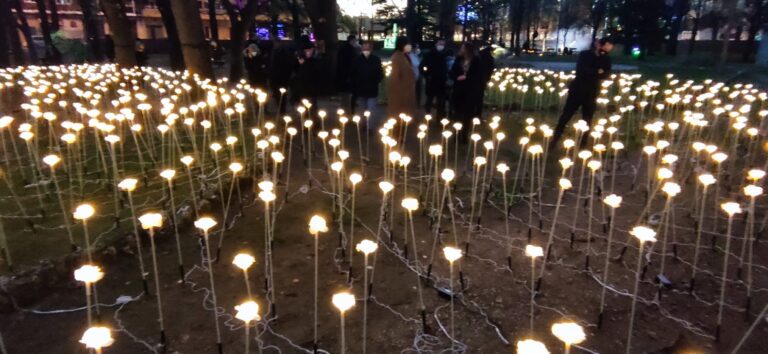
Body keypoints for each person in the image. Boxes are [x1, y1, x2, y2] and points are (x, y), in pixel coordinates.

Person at [550, 37, 614, 149]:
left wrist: (596, 72)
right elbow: (582, 70)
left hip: (592, 91)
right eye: (609, 45)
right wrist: (597, 71)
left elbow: (606, 74)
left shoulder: (606, 58)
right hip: (578, 90)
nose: (610, 48)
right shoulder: (585, 55)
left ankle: (583, 144)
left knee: (588, 118)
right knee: (566, 115)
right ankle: (555, 140)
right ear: (601, 44)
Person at [350, 41, 384, 130]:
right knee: (362, 109)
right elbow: (353, 73)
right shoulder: (357, 60)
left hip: (372, 88)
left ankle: (370, 127)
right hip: (360, 89)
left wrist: (376, 81)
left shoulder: (376, 59)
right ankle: (363, 124)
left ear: (371, 49)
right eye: (364, 48)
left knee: (371, 109)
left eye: (367, 48)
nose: (365, 50)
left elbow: (380, 73)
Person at [449, 42, 482, 133]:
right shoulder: (458, 59)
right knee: (458, 112)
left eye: (463, 48)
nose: (461, 49)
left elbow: (478, 75)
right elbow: (452, 73)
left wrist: (467, 77)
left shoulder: (476, 60)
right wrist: (457, 77)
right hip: (458, 90)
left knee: (467, 113)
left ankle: (465, 133)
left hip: (470, 90)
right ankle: (457, 132)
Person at [387, 36, 417, 118]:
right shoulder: (397, 57)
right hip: (401, 90)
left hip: (407, 88)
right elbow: (395, 76)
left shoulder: (405, 56)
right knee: (400, 109)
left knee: (406, 108)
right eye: (408, 44)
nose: (409, 46)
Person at [292, 39, 323, 117]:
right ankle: (306, 122)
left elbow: (317, 74)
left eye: (310, 50)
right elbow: (297, 72)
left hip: (311, 87)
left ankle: (314, 122)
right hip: (303, 87)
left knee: (312, 106)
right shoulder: (300, 60)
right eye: (306, 50)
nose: (308, 52)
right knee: (305, 106)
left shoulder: (314, 61)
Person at [421, 39, 449, 118]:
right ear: (436, 44)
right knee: (429, 100)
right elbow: (423, 66)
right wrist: (427, 75)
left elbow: (445, 67)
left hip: (441, 81)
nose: (441, 46)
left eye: (443, 44)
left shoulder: (444, 54)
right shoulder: (429, 54)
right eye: (440, 44)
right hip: (431, 81)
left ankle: (439, 117)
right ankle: (428, 115)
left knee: (441, 101)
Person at [270, 43, 298, 115]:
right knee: (282, 95)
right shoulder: (287, 57)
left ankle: (281, 109)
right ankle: (282, 109)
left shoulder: (275, 57)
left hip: (278, 78)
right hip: (283, 78)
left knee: (279, 95)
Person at [336, 34, 360, 111]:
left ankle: (344, 109)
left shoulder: (342, 49)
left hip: (342, 75)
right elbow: (352, 63)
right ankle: (349, 109)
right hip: (348, 76)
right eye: (355, 41)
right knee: (349, 94)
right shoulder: (350, 50)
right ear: (352, 41)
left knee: (344, 95)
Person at [477, 44, 495, 116]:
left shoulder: (479, 55)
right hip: (482, 79)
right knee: (480, 97)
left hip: (476, 79)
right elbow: (490, 69)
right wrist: (488, 78)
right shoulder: (490, 57)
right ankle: (478, 113)